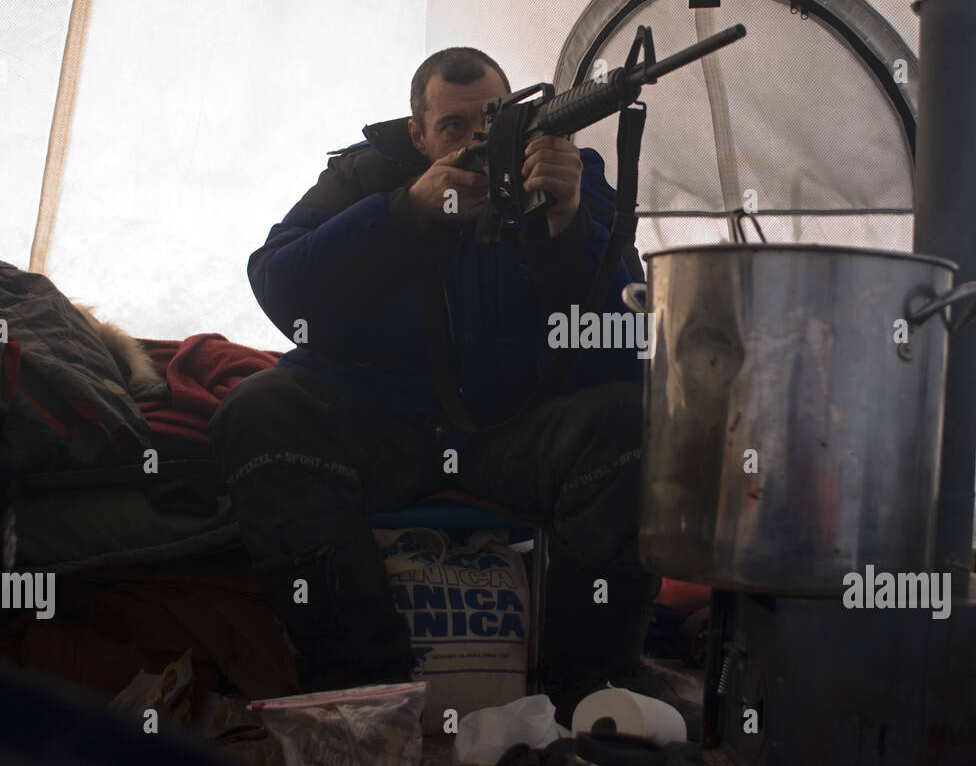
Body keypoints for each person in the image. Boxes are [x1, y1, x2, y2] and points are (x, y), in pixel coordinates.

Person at [208, 46, 676, 727]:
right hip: (377, 423)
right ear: (417, 133)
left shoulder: (569, 173)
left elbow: (625, 343)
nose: (476, 140)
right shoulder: (363, 177)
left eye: (491, 120)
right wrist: (405, 212)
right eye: (452, 127)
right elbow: (280, 283)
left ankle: (592, 691)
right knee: (256, 411)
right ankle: (363, 696)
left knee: (632, 425)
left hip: (514, 430)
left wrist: (567, 221)